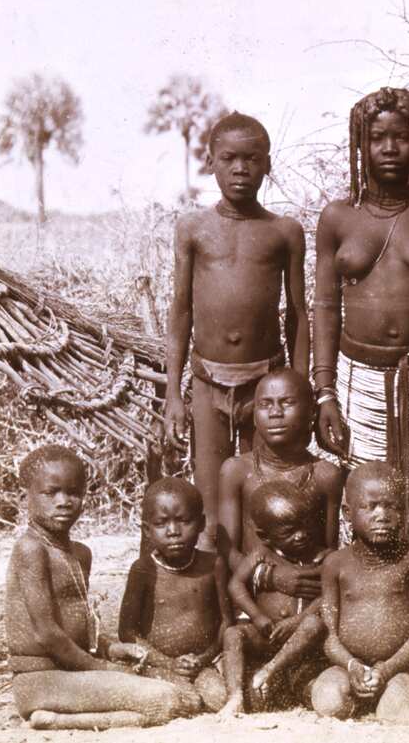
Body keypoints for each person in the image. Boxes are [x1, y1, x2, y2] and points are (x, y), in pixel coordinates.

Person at [313, 86, 409, 590]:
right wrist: (325, 393)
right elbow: (324, 308)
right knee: (367, 516)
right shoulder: (337, 218)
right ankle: (370, 624)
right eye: (377, 137)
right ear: (360, 145)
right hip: (357, 382)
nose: (389, 148)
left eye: (400, 137)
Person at [164, 111, 310, 550]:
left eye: (252, 158)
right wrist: (174, 394)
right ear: (210, 162)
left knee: (265, 502)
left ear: (268, 164)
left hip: (265, 387)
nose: (240, 169)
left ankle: (257, 588)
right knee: (209, 507)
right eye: (229, 158)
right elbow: (181, 310)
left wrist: (299, 389)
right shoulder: (193, 228)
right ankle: (218, 592)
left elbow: (298, 313)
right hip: (208, 381)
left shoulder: (284, 232)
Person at [6, 446, 201, 729]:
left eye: (73, 493)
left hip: (76, 673)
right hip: (41, 679)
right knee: (167, 699)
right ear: (25, 498)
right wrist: (104, 667)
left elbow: (82, 628)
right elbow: (47, 634)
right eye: (51, 493)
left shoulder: (80, 553)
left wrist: (112, 649)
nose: (64, 502)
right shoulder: (31, 550)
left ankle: (60, 719)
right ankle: (56, 719)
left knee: (187, 695)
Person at [310, 462, 409, 725]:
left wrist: (386, 669)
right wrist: (352, 666)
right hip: (348, 666)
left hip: (400, 667)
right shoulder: (335, 563)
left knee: (398, 716)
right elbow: (329, 636)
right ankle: (363, 698)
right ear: (348, 512)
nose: (382, 516)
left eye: (392, 506)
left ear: (404, 511)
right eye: (370, 506)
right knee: (328, 701)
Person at [216, 370, 344, 619]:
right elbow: (226, 547)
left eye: (287, 402)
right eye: (265, 404)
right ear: (254, 417)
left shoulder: (326, 475)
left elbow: (329, 549)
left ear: (311, 413)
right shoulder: (236, 470)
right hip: (253, 598)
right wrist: (270, 577)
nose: (275, 412)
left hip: (304, 602)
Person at [117, 478, 227, 713]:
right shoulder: (143, 570)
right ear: (147, 530)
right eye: (161, 523)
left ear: (201, 523)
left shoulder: (213, 565)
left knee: (219, 698)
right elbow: (127, 632)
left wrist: (203, 659)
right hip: (158, 663)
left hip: (201, 662)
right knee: (187, 701)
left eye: (184, 521)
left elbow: (227, 622)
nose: (174, 531)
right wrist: (167, 663)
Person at [221, 480, 330, 715]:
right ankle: (235, 696)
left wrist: (296, 621)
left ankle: (270, 670)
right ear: (265, 536)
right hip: (267, 634)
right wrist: (257, 616)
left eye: (305, 524)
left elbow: (329, 596)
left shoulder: (324, 557)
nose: (301, 535)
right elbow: (235, 585)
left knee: (314, 624)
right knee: (233, 634)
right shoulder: (261, 554)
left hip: (302, 640)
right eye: (289, 532)